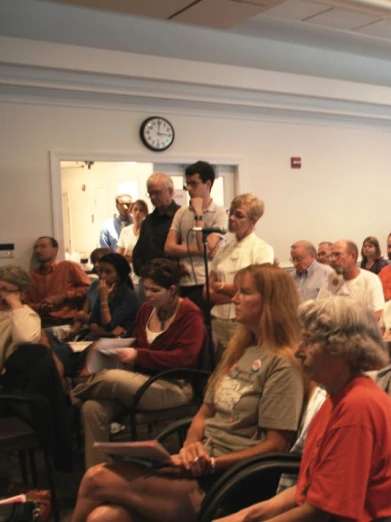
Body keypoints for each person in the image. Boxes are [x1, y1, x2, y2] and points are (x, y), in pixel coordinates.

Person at [71, 264, 304, 521]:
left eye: (245, 293)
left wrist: (211, 464)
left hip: (230, 478)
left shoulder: (282, 364)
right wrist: (190, 447)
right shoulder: (242, 350)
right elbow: (204, 414)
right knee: (104, 517)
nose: (234, 298)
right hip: (200, 464)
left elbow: (275, 445)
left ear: (271, 303)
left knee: (96, 478)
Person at [219, 297, 391, 522]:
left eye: (310, 341)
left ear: (346, 349)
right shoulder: (335, 396)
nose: (298, 351)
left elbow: (324, 513)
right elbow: (311, 490)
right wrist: (246, 515)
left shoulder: (357, 408)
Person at [71, 259, 203, 468]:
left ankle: (69, 399)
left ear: (172, 290)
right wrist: (114, 349)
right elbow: (139, 344)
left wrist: (137, 355)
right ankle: (97, 474)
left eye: (155, 290)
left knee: (109, 377)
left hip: (174, 386)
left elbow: (185, 358)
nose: (148, 294)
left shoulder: (190, 314)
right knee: (92, 407)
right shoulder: (146, 310)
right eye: (146, 288)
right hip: (142, 382)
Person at [208, 194, 274, 357]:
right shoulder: (223, 250)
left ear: (254, 220)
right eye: (231, 212)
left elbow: (257, 290)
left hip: (243, 323)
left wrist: (222, 287)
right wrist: (237, 291)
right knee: (220, 368)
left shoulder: (261, 249)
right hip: (218, 319)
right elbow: (208, 290)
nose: (231, 218)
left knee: (242, 365)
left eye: (239, 215)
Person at [165, 161, 228, 313]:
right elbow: (169, 247)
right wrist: (201, 250)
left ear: (207, 184)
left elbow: (206, 245)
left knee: (205, 328)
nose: (189, 189)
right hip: (184, 280)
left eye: (194, 183)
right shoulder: (181, 212)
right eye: (187, 184)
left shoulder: (219, 212)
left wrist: (199, 212)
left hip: (206, 281)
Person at [23, 236, 91, 327]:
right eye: (36, 248)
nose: (38, 250)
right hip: (39, 321)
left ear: (55, 249)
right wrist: (40, 306)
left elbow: (88, 288)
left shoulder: (68, 266)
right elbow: (23, 302)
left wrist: (64, 296)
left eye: (43, 246)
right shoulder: (31, 275)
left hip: (66, 321)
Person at [132, 173, 181, 293]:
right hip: (150, 282)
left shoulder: (181, 216)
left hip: (173, 284)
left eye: (157, 192)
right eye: (150, 193)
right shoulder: (148, 221)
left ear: (170, 191)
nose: (153, 197)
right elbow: (138, 254)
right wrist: (147, 273)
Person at [318, 240, 384, 320]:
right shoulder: (331, 276)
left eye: (337, 255)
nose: (333, 259)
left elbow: (378, 313)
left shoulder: (371, 279)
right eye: (331, 256)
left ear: (352, 256)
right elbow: (319, 306)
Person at [87, 253, 139, 339]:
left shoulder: (129, 296)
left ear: (120, 274)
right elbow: (92, 323)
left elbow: (109, 325)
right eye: (100, 271)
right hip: (101, 338)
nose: (102, 276)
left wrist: (104, 299)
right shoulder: (104, 291)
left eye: (108, 272)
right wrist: (108, 333)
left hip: (120, 343)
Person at [0, 266, 41, 369]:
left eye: (4, 290)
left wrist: (15, 304)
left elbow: (25, 338)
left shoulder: (25, 315)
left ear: (21, 294)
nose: (0, 294)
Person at [117, 199, 149, 286]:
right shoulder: (125, 231)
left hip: (142, 275)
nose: (137, 212)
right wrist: (126, 256)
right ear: (131, 211)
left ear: (145, 213)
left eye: (141, 210)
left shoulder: (148, 231)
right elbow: (119, 255)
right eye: (135, 209)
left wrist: (133, 256)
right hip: (128, 275)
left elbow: (148, 255)